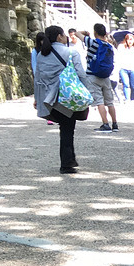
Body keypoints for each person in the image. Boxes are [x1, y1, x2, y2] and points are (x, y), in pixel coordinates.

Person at [33, 24, 89, 175]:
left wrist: (36, 98)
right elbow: (81, 74)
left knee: (65, 127)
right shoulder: (71, 52)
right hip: (66, 95)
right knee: (67, 129)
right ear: (59, 36)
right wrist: (87, 92)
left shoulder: (41, 55)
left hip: (49, 98)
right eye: (64, 35)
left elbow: (37, 78)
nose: (65, 37)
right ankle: (66, 163)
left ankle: (69, 160)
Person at [82, 22, 119, 132]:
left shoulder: (93, 42)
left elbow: (77, 34)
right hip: (106, 76)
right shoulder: (109, 46)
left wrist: (85, 33)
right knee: (110, 102)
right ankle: (115, 124)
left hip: (93, 75)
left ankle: (105, 124)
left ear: (95, 32)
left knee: (99, 101)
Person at [116, 33, 134, 103]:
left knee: (132, 86)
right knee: (126, 84)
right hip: (123, 68)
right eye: (128, 39)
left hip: (133, 69)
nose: (130, 41)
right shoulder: (121, 47)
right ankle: (127, 99)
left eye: (131, 39)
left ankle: (132, 99)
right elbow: (118, 57)